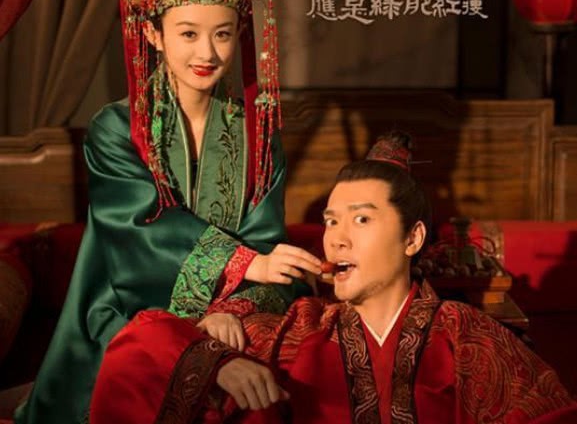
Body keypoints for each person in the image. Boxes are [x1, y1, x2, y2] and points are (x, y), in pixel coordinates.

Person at [14, 0, 321, 424]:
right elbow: (135, 238)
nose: (207, 53)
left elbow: (268, 247)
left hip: (231, 318)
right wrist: (242, 265)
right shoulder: (115, 129)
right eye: (187, 33)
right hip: (126, 315)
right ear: (153, 34)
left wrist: (232, 305)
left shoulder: (257, 134)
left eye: (222, 33)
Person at [90, 131, 577, 424]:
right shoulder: (301, 330)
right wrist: (214, 361)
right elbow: (139, 348)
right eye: (330, 221)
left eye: (361, 219)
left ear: (412, 238)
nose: (337, 239)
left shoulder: (467, 337)